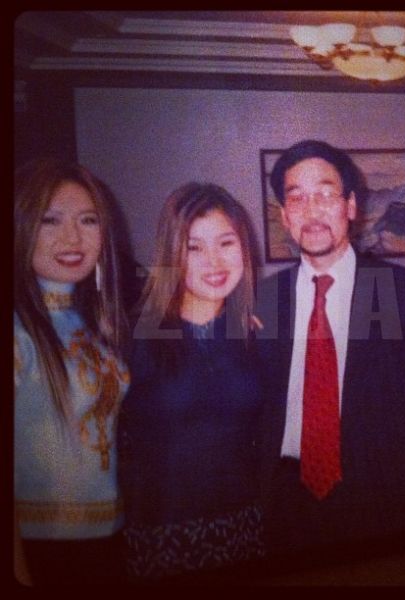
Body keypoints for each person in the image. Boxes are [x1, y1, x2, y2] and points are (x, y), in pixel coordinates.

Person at [256, 139, 405, 557]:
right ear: (284, 216)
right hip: (286, 502)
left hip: (377, 496)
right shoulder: (264, 300)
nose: (312, 211)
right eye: (297, 198)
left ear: (351, 206)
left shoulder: (397, 291)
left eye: (325, 194)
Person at [117, 183, 265, 581]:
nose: (213, 261)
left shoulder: (254, 334)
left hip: (247, 529)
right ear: (172, 254)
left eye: (226, 243)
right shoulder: (132, 335)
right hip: (161, 536)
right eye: (193, 247)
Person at [14, 157, 130, 585]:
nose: (72, 237)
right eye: (51, 220)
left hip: (108, 540)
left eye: (88, 220)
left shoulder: (94, 319)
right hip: (41, 550)